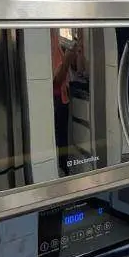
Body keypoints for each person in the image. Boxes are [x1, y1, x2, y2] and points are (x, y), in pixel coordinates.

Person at [51, 30, 80, 175]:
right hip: (57, 100)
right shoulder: (51, 40)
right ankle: (62, 173)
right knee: (60, 141)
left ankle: (63, 172)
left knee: (61, 140)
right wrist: (68, 58)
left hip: (59, 99)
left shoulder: (56, 40)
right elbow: (57, 80)